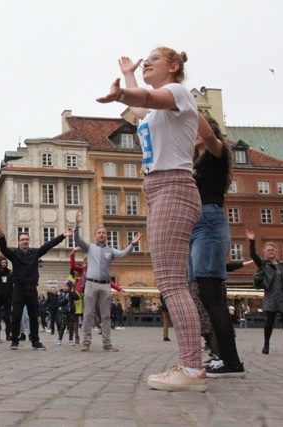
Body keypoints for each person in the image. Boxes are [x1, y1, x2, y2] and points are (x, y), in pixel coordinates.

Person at [98, 49, 206, 392]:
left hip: (173, 186)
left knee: (172, 282)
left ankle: (191, 368)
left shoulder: (177, 92)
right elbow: (143, 109)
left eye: (154, 59)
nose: (147, 62)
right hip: (162, 189)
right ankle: (191, 364)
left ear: (173, 68)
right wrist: (129, 76)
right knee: (171, 280)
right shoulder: (162, 111)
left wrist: (122, 92)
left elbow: (144, 98)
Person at [184, 114, 246, 378]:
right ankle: (223, 358)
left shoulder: (216, 151)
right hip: (196, 224)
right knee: (204, 294)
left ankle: (231, 362)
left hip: (209, 221)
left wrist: (187, 105)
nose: (196, 131)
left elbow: (209, 136)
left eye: (199, 127)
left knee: (211, 294)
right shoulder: (193, 162)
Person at [0, 224, 72, 350]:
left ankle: (35, 341)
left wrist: (62, 237)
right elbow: (4, 249)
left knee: (33, 316)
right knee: (16, 315)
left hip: (32, 289)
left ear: (29, 241)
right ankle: (14, 341)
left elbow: (48, 246)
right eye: (22, 239)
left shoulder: (35, 253)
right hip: (19, 289)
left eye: (26, 239)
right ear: (19, 242)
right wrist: (2, 237)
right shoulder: (15, 254)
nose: (25, 241)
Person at [74, 211, 140, 353]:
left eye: (104, 233)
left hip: (105, 285)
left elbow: (123, 254)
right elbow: (78, 240)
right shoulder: (90, 247)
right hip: (91, 284)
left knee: (106, 316)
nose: (101, 235)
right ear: (95, 236)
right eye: (99, 233)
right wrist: (77, 225)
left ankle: (107, 343)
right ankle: (86, 342)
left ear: (107, 236)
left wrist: (132, 244)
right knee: (88, 314)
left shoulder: (111, 251)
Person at [246, 229, 283, 356]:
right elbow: (253, 255)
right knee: (269, 321)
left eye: (272, 250)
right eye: (268, 250)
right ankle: (266, 345)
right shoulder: (263, 264)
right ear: (265, 253)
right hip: (270, 295)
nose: (270, 252)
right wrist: (252, 241)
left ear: (276, 252)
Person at [56, 280, 79, 345]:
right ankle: (59, 339)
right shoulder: (62, 293)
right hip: (64, 312)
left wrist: (72, 292)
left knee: (71, 326)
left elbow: (77, 298)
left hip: (71, 312)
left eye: (66, 286)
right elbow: (60, 302)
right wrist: (65, 299)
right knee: (63, 325)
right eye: (64, 286)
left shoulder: (72, 293)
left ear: (70, 287)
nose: (64, 287)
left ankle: (71, 340)